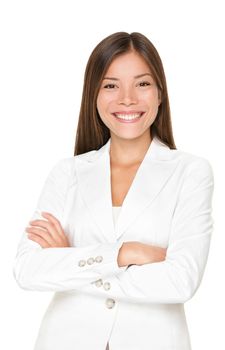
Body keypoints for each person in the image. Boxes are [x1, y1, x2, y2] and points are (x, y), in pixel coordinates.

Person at [13, 31, 214, 350]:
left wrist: (70, 261)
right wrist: (124, 253)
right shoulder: (68, 173)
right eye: (111, 85)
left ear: (160, 94)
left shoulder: (190, 172)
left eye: (142, 83)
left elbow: (180, 281)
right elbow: (27, 271)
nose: (127, 99)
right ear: (93, 95)